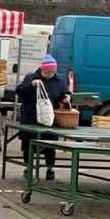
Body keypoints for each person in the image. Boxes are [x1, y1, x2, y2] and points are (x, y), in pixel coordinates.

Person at [16, 54, 72, 182]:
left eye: (52, 71)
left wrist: (67, 97)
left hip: (49, 120)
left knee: (49, 145)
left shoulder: (59, 81)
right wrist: (31, 85)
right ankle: (28, 167)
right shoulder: (31, 77)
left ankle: (49, 168)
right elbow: (19, 91)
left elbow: (64, 94)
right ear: (42, 69)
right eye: (48, 72)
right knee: (28, 144)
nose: (50, 74)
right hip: (30, 118)